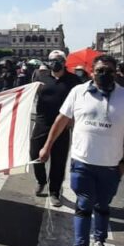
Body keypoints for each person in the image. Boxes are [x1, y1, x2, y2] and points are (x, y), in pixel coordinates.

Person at [38, 54, 124, 246]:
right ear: (91, 72)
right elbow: (61, 120)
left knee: (102, 206)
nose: (104, 75)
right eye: (100, 70)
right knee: (83, 205)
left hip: (110, 164)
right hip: (82, 161)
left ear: (116, 73)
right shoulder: (78, 92)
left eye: (109, 71)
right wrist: (47, 147)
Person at [29, 50, 81, 207]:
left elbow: (81, 101)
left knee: (58, 159)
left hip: (63, 125)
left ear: (64, 62)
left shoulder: (74, 81)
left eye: (58, 60)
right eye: (51, 60)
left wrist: (74, 119)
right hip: (42, 122)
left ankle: (54, 191)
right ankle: (41, 180)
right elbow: (29, 94)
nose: (55, 62)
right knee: (35, 153)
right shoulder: (41, 78)